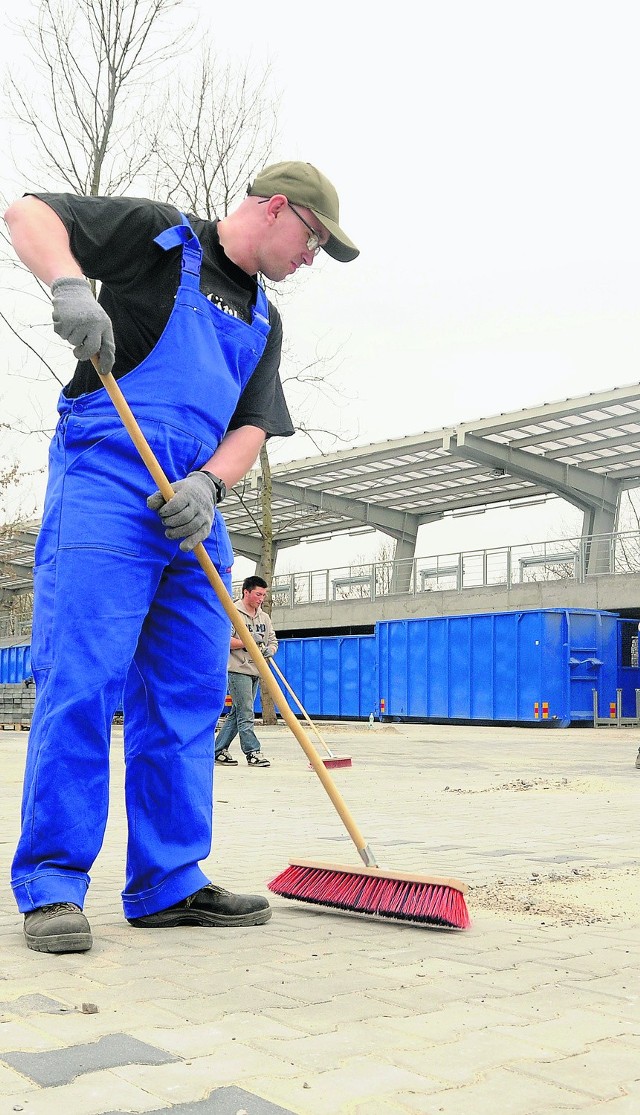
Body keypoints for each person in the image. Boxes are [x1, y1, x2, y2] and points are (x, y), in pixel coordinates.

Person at [3, 161, 359, 954]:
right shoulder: (162, 238)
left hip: (190, 513)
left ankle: (168, 881)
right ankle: (54, 885)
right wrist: (69, 286)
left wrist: (209, 483)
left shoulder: (265, 320)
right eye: (313, 239)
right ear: (277, 208)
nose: (311, 259)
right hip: (108, 477)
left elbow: (253, 426)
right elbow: (27, 213)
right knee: (83, 678)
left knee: (190, 692)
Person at [215, 575, 278, 767]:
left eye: (264, 595)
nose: (261, 598)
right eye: (258, 594)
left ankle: (217, 750)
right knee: (246, 712)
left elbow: (273, 641)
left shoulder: (264, 617)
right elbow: (225, 641)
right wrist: (248, 641)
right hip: (238, 669)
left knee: (237, 713)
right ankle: (252, 751)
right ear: (246, 592)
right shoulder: (233, 612)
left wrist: (269, 650)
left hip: (256, 670)